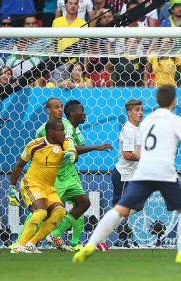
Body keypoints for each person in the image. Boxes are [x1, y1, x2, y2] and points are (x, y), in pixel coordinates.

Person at [73, 84, 181, 263]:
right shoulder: (175, 120)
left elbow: (139, 149)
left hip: (144, 171)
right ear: (174, 101)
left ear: (156, 101)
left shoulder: (146, 122)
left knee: (119, 209)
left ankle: (91, 244)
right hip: (164, 172)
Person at [45, 99, 114, 251]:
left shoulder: (74, 129)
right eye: (81, 110)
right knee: (44, 210)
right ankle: (23, 242)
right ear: (72, 114)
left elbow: (74, 149)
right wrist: (96, 147)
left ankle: (73, 242)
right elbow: (69, 148)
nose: (84, 113)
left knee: (82, 204)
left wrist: (75, 154)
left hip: (70, 173)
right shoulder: (65, 127)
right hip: (58, 174)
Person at [7, 119, 76, 253]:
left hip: (49, 187)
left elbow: (72, 152)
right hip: (31, 183)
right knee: (41, 212)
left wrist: (73, 155)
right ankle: (19, 246)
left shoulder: (65, 142)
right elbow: (20, 165)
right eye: (60, 130)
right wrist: (11, 188)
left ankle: (31, 244)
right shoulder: (34, 145)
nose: (63, 133)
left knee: (60, 212)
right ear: (51, 132)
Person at [111, 99, 143, 248]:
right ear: (129, 113)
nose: (141, 112)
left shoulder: (138, 129)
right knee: (123, 210)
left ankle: (115, 227)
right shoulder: (129, 129)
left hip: (132, 175)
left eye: (141, 109)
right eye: (136, 110)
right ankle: (106, 235)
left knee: (139, 204)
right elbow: (128, 155)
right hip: (124, 175)